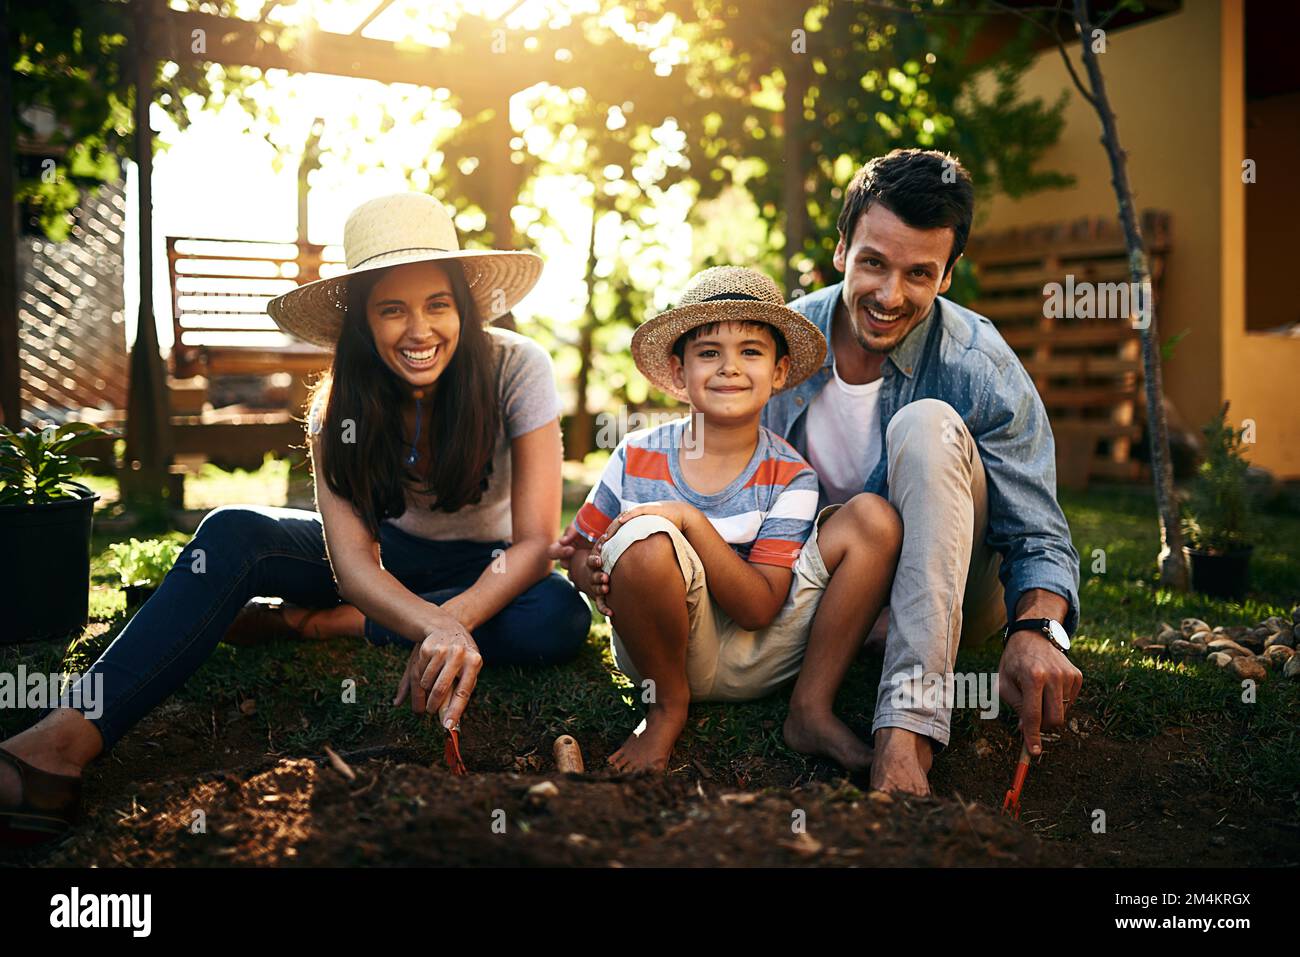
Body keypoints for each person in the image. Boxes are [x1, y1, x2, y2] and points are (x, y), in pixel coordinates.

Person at [0, 192, 591, 844]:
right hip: (383, 560)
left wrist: (450, 621)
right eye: (392, 308)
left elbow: (535, 542)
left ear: (464, 306)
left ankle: (326, 625)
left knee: (557, 617)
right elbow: (354, 563)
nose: (419, 329)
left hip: (489, 563)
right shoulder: (337, 406)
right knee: (232, 532)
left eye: (437, 304)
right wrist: (431, 623)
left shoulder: (517, 366)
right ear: (364, 321)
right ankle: (58, 745)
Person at [766, 149, 1084, 795]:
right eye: (874, 263)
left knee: (925, 421)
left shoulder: (978, 362)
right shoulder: (779, 343)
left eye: (919, 273)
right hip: (830, 581)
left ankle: (905, 735)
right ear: (841, 250)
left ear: (948, 275)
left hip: (965, 582)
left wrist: (1037, 629)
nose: (890, 295)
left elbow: (1038, 536)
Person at [550, 266, 901, 772]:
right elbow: (578, 553)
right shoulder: (635, 456)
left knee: (872, 517)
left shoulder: (791, 476)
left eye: (751, 352)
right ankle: (666, 708)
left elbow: (759, 609)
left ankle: (811, 709)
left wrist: (689, 520)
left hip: (759, 655)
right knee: (647, 542)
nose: (729, 368)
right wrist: (595, 575)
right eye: (709, 352)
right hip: (657, 651)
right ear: (679, 372)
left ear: (779, 372)